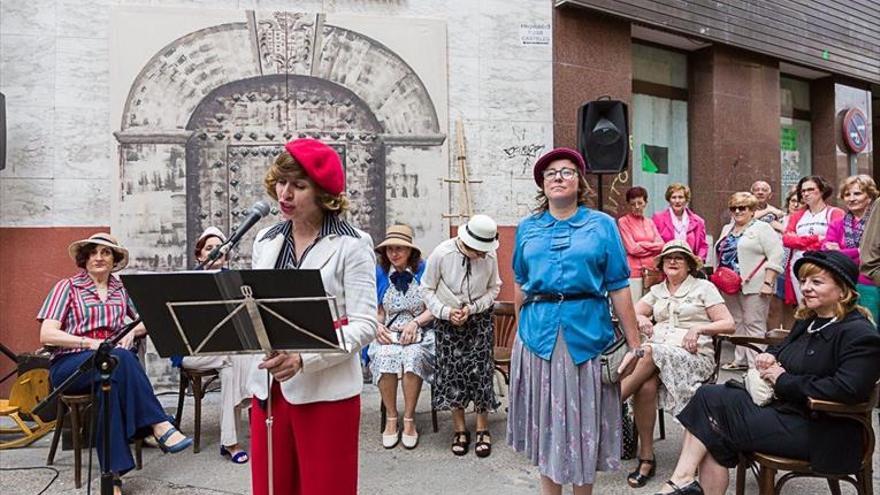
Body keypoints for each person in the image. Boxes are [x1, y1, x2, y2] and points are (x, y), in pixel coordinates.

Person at [657, 251, 880, 495]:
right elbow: (782, 347)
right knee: (708, 396)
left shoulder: (859, 333)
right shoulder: (811, 321)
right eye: (804, 281)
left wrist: (782, 379)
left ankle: (681, 482)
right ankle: (683, 480)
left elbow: (847, 389)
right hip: (789, 412)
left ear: (843, 290)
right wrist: (770, 356)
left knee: (713, 422)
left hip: (825, 431)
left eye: (816, 282)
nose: (806, 288)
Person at [508, 147, 642, 495]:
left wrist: (635, 343)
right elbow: (521, 285)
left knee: (584, 424)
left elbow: (618, 286)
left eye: (566, 171)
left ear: (579, 181)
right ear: (542, 183)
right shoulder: (528, 228)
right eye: (550, 172)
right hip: (537, 337)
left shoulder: (602, 225)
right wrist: (518, 335)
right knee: (548, 425)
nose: (558, 177)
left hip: (586, 335)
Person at [247, 138, 377, 495]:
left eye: (299, 186)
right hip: (269, 390)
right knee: (272, 488)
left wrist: (305, 358)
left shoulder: (353, 245)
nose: (285, 194)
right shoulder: (265, 239)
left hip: (326, 393)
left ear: (323, 193)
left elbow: (365, 324)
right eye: (281, 182)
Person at [38, 233, 192, 495]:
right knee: (122, 359)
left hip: (110, 366)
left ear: (115, 259)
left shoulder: (122, 289)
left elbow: (149, 319)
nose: (99, 257)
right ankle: (158, 424)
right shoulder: (68, 287)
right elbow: (47, 334)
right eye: (94, 253)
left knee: (111, 385)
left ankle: (112, 479)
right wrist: (90, 343)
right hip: (71, 365)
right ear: (84, 259)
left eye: (106, 253)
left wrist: (134, 330)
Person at [621, 240, 735, 488]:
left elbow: (728, 324)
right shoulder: (657, 291)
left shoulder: (703, 288)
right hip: (660, 355)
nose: (673, 261)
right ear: (661, 264)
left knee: (648, 351)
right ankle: (647, 458)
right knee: (646, 385)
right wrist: (641, 319)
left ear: (689, 264)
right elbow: (632, 312)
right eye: (668, 258)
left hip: (692, 357)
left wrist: (699, 327)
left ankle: (608, 404)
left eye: (679, 257)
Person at [173, 226, 256, 463]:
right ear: (200, 255)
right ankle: (254, 416)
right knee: (239, 358)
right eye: (209, 248)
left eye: (220, 248)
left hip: (228, 353)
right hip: (194, 352)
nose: (216, 251)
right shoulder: (185, 281)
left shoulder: (235, 280)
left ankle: (229, 441)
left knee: (233, 366)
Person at [422, 214, 502, 458]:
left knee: (480, 372)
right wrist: (445, 312)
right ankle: (459, 429)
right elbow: (426, 289)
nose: (481, 255)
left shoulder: (489, 255)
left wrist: (474, 308)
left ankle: (482, 428)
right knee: (453, 372)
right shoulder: (442, 254)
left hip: (479, 320)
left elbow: (494, 287)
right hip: (448, 322)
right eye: (478, 251)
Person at [369, 224, 435, 450]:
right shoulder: (380, 273)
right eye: (390, 250)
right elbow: (377, 310)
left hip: (420, 330)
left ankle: (409, 419)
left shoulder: (424, 270)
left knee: (413, 357)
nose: (394, 254)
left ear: (411, 252)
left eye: (400, 249)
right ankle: (391, 417)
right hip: (389, 330)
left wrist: (416, 323)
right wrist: (377, 326)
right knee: (385, 356)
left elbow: (433, 307)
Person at [714, 193, 784, 370]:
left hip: (755, 285)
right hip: (729, 285)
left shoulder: (762, 228)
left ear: (752, 210)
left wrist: (768, 283)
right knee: (736, 322)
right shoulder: (727, 229)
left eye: (742, 207)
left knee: (754, 324)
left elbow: (776, 255)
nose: (737, 211)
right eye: (734, 208)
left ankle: (756, 365)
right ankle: (740, 359)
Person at [823, 174, 879, 323]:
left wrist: (841, 251)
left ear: (870, 196)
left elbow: (873, 255)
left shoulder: (875, 223)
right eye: (847, 194)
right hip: (843, 284)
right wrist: (858, 251)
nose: (851, 198)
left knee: (871, 327)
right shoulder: (837, 224)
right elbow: (828, 254)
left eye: (858, 193)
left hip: (870, 284)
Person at [783, 175, 844, 304]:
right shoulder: (797, 216)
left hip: (824, 267)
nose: (805, 194)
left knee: (825, 305)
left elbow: (833, 242)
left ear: (822, 190)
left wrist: (800, 240)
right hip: (798, 267)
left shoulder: (835, 213)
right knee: (804, 306)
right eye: (803, 191)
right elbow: (787, 240)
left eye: (810, 189)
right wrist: (816, 238)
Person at [618, 186, 665, 304]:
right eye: (633, 204)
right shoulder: (623, 221)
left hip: (652, 271)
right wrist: (651, 246)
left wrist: (642, 244)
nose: (637, 207)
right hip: (634, 272)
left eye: (640, 203)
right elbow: (632, 249)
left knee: (651, 309)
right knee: (635, 308)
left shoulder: (650, 222)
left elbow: (661, 245)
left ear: (645, 203)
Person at [652, 183, 708, 261]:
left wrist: (699, 258)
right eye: (674, 197)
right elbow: (653, 244)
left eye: (681, 197)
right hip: (666, 265)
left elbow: (703, 245)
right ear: (669, 199)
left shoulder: (698, 221)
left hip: (688, 265)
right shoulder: (658, 219)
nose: (677, 201)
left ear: (686, 200)